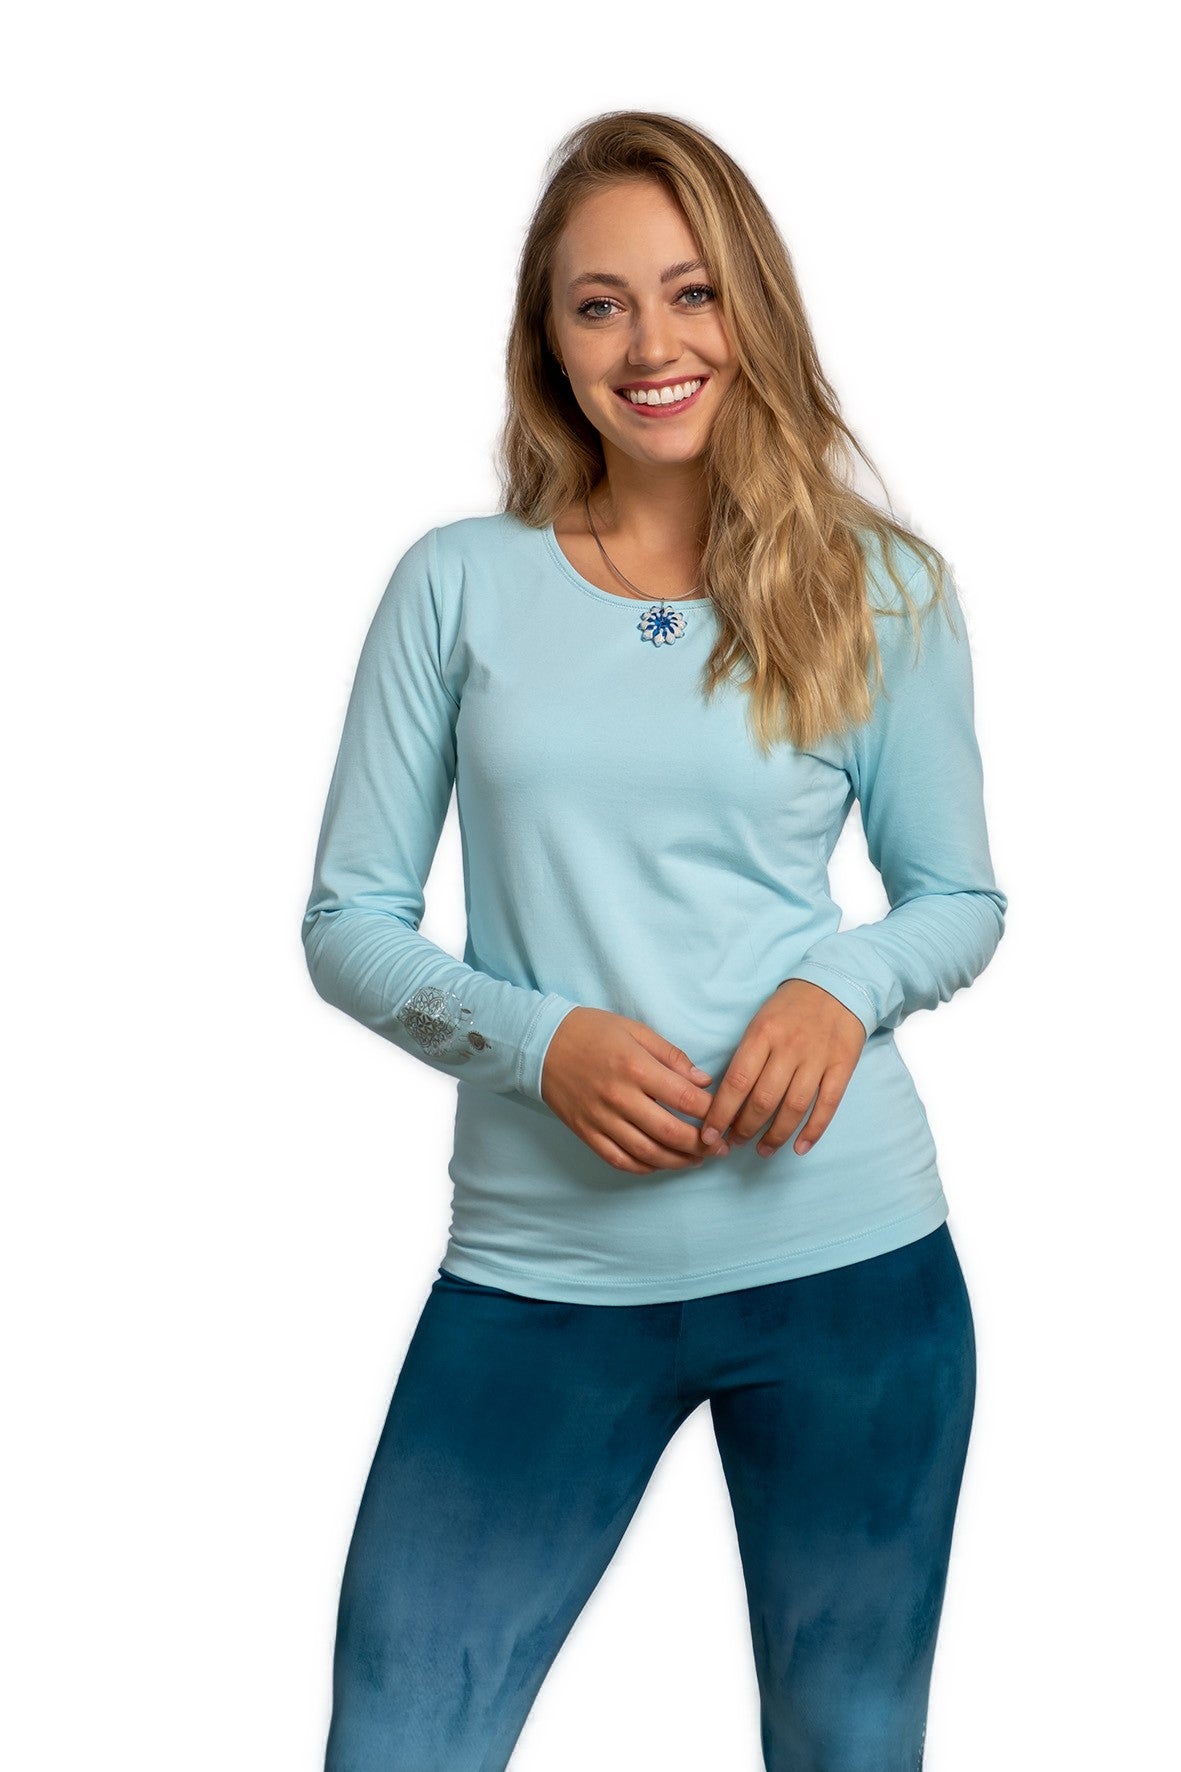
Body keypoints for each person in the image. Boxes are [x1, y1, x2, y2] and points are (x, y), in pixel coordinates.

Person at [301, 109, 1007, 1772]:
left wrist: (838, 990)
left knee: (847, 1747)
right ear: (547, 341)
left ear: (750, 306)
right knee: (397, 1742)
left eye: (690, 293)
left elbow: (955, 898)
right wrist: (537, 1042)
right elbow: (347, 923)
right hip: (540, 1276)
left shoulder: (881, 589)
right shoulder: (457, 587)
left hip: (849, 1271)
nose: (650, 345)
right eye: (598, 303)